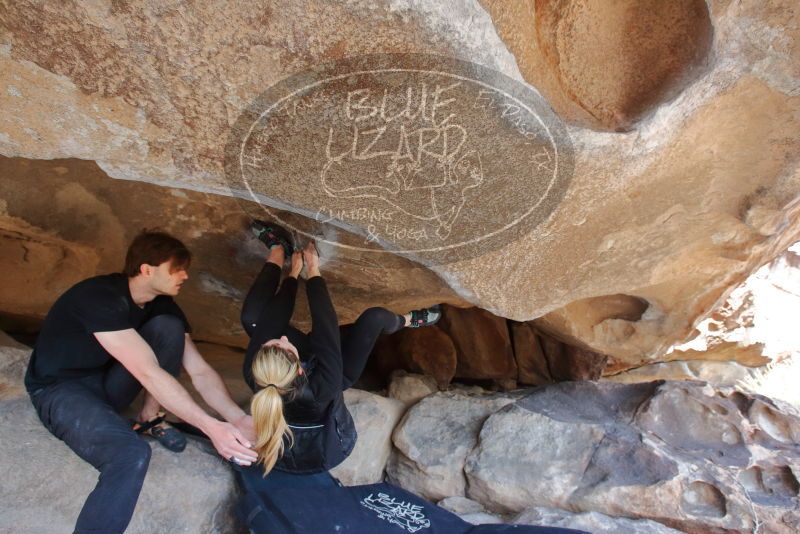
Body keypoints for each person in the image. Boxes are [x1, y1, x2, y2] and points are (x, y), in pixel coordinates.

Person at [25, 230, 257, 534]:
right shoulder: (99, 297)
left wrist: (237, 419)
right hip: (61, 390)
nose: (185, 275)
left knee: (168, 328)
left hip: (105, 384)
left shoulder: (161, 305)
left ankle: (151, 416)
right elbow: (147, 371)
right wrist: (211, 428)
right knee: (131, 455)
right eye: (177, 268)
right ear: (147, 269)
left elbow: (199, 371)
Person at [239, 222, 441, 480]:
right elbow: (325, 327)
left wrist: (292, 274)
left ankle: (279, 250)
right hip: (333, 424)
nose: (280, 336)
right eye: (283, 343)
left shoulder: (256, 372)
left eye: (271, 343)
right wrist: (312, 270)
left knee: (254, 319)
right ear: (300, 367)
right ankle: (410, 321)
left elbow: (271, 324)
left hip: (298, 375)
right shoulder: (325, 384)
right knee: (375, 317)